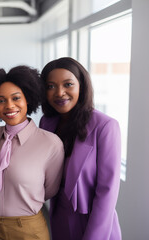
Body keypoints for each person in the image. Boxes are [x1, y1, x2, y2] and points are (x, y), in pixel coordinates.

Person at [39, 57, 122, 240]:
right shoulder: (47, 122)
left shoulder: (105, 126)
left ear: (81, 86)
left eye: (68, 84)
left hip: (93, 222)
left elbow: (107, 191)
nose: (60, 93)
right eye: (51, 86)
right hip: (58, 218)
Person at [0, 65, 64, 240]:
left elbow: (50, 189)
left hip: (27, 229)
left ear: (28, 99)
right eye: (1, 100)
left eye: (16, 98)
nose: (9, 106)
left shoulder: (50, 143)